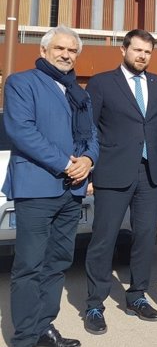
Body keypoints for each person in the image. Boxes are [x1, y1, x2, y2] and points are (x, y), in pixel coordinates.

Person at [2, 26, 99, 347]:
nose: (66, 55)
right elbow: (22, 131)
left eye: (72, 51)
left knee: (57, 263)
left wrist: (88, 161)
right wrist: (67, 163)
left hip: (71, 191)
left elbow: (92, 137)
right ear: (44, 51)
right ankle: (25, 338)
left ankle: (44, 328)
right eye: (60, 48)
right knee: (30, 266)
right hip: (38, 188)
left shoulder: (78, 92)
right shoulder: (22, 82)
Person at [83, 29, 157, 335]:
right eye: (137, 50)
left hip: (151, 174)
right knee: (104, 239)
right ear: (124, 49)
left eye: (148, 52)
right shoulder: (102, 83)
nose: (142, 56)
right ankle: (95, 303)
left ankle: (137, 295)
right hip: (112, 172)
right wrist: (90, 170)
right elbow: (89, 129)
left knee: (146, 238)